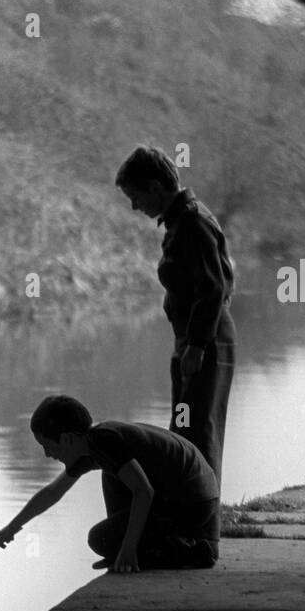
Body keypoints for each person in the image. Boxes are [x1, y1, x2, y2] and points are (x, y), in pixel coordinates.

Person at [115, 145, 235, 492]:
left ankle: (203, 521)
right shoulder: (182, 221)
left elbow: (214, 288)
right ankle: (194, 513)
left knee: (198, 430)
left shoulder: (194, 222)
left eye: (136, 196)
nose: (135, 206)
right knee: (185, 429)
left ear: (155, 187)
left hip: (205, 341)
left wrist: (197, 345)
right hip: (193, 339)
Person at [0, 395, 219, 573]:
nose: (48, 454)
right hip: (190, 498)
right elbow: (53, 493)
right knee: (111, 476)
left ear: (67, 438)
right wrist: (11, 528)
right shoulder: (90, 446)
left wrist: (127, 550)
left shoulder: (104, 442)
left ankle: (192, 553)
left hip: (192, 503)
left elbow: (143, 492)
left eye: (48, 445)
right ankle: (131, 548)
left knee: (100, 539)